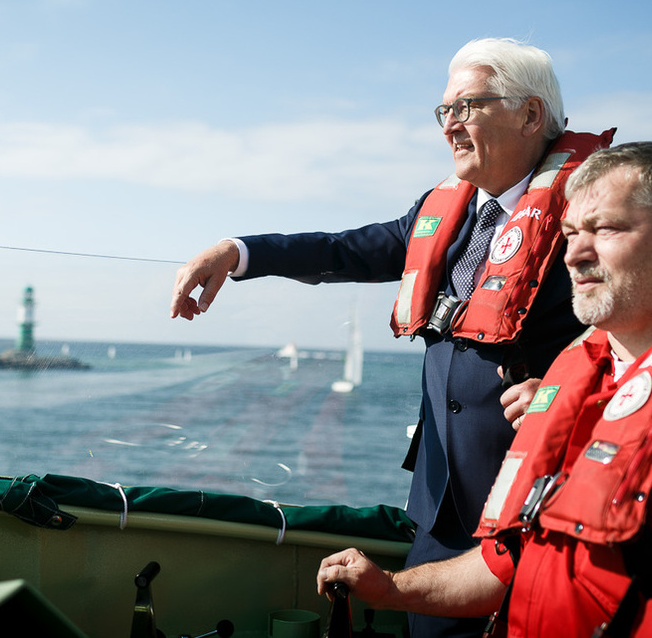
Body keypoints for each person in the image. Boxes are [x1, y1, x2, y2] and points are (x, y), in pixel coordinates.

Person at [170, 37, 613, 636]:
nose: (450, 126)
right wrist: (238, 251)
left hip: (536, 499)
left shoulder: (595, 216)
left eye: (467, 107)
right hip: (440, 504)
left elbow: (644, 334)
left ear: (531, 114)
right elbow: (342, 248)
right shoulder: (445, 211)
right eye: (443, 112)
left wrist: (568, 391)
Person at [316, 141, 652, 636]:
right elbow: (506, 565)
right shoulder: (576, 375)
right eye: (569, 233)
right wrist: (391, 589)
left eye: (605, 229)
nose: (576, 254)